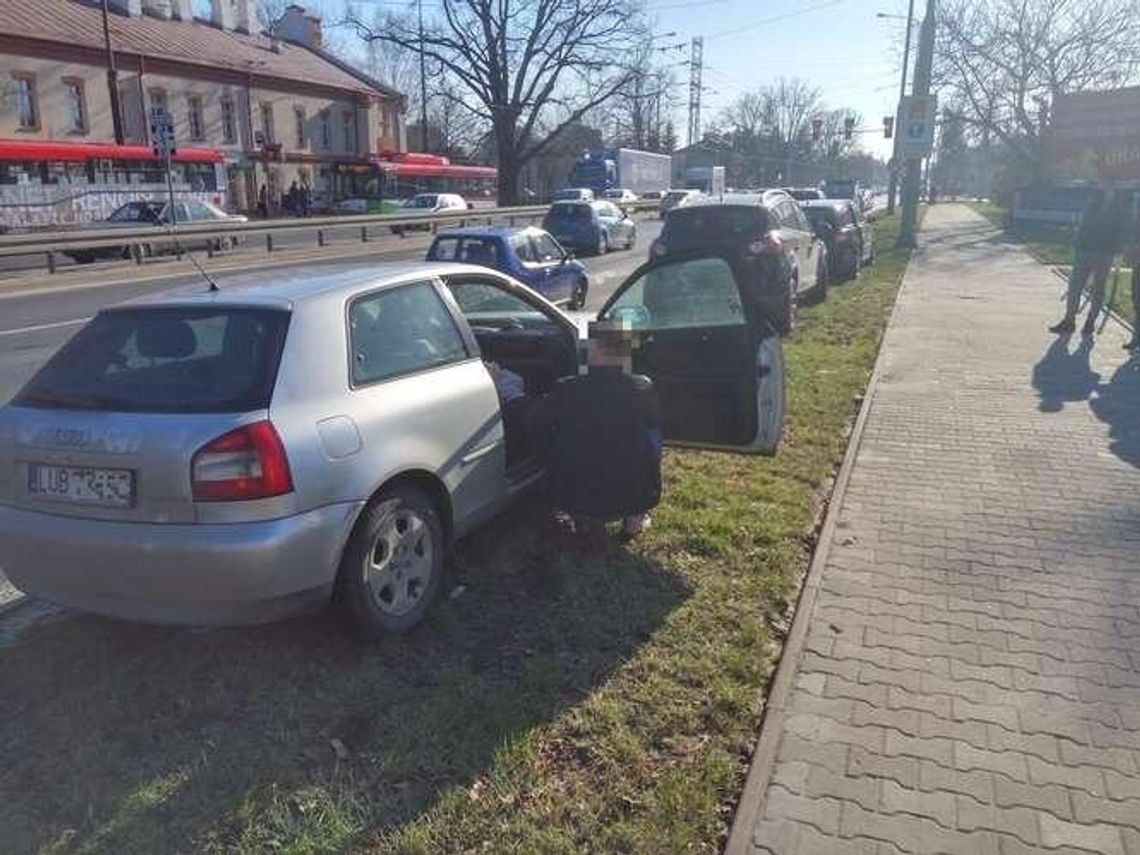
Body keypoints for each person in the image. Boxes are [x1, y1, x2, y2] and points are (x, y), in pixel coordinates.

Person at [546, 320, 662, 538]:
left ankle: (578, 515)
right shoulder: (643, 388)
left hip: (576, 495)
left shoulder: (565, 389)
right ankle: (634, 517)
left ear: (588, 353)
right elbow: (654, 435)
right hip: (635, 493)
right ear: (626, 354)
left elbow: (542, 426)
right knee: (652, 439)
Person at [1049, 182, 1128, 337]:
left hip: (1105, 251)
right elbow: (1085, 221)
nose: (1103, 186)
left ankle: (1090, 323)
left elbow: (1124, 227)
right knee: (1074, 287)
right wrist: (1078, 241)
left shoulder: (1121, 202)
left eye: (1107, 184)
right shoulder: (1094, 198)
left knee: (1098, 289)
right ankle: (1068, 321)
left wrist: (1117, 249)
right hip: (1085, 248)